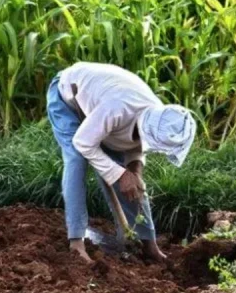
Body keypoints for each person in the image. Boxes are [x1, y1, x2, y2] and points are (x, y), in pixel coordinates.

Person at [46, 62, 196, 263]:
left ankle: (148, 244)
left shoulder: (160, 117)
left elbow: (137, 144)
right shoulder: (117, 109)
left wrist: (134, 171)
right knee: (77, 159)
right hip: (68, 96)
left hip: (101, 110)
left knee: (131, 181)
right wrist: (121, 174)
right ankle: (76, 244)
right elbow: (82, 143)